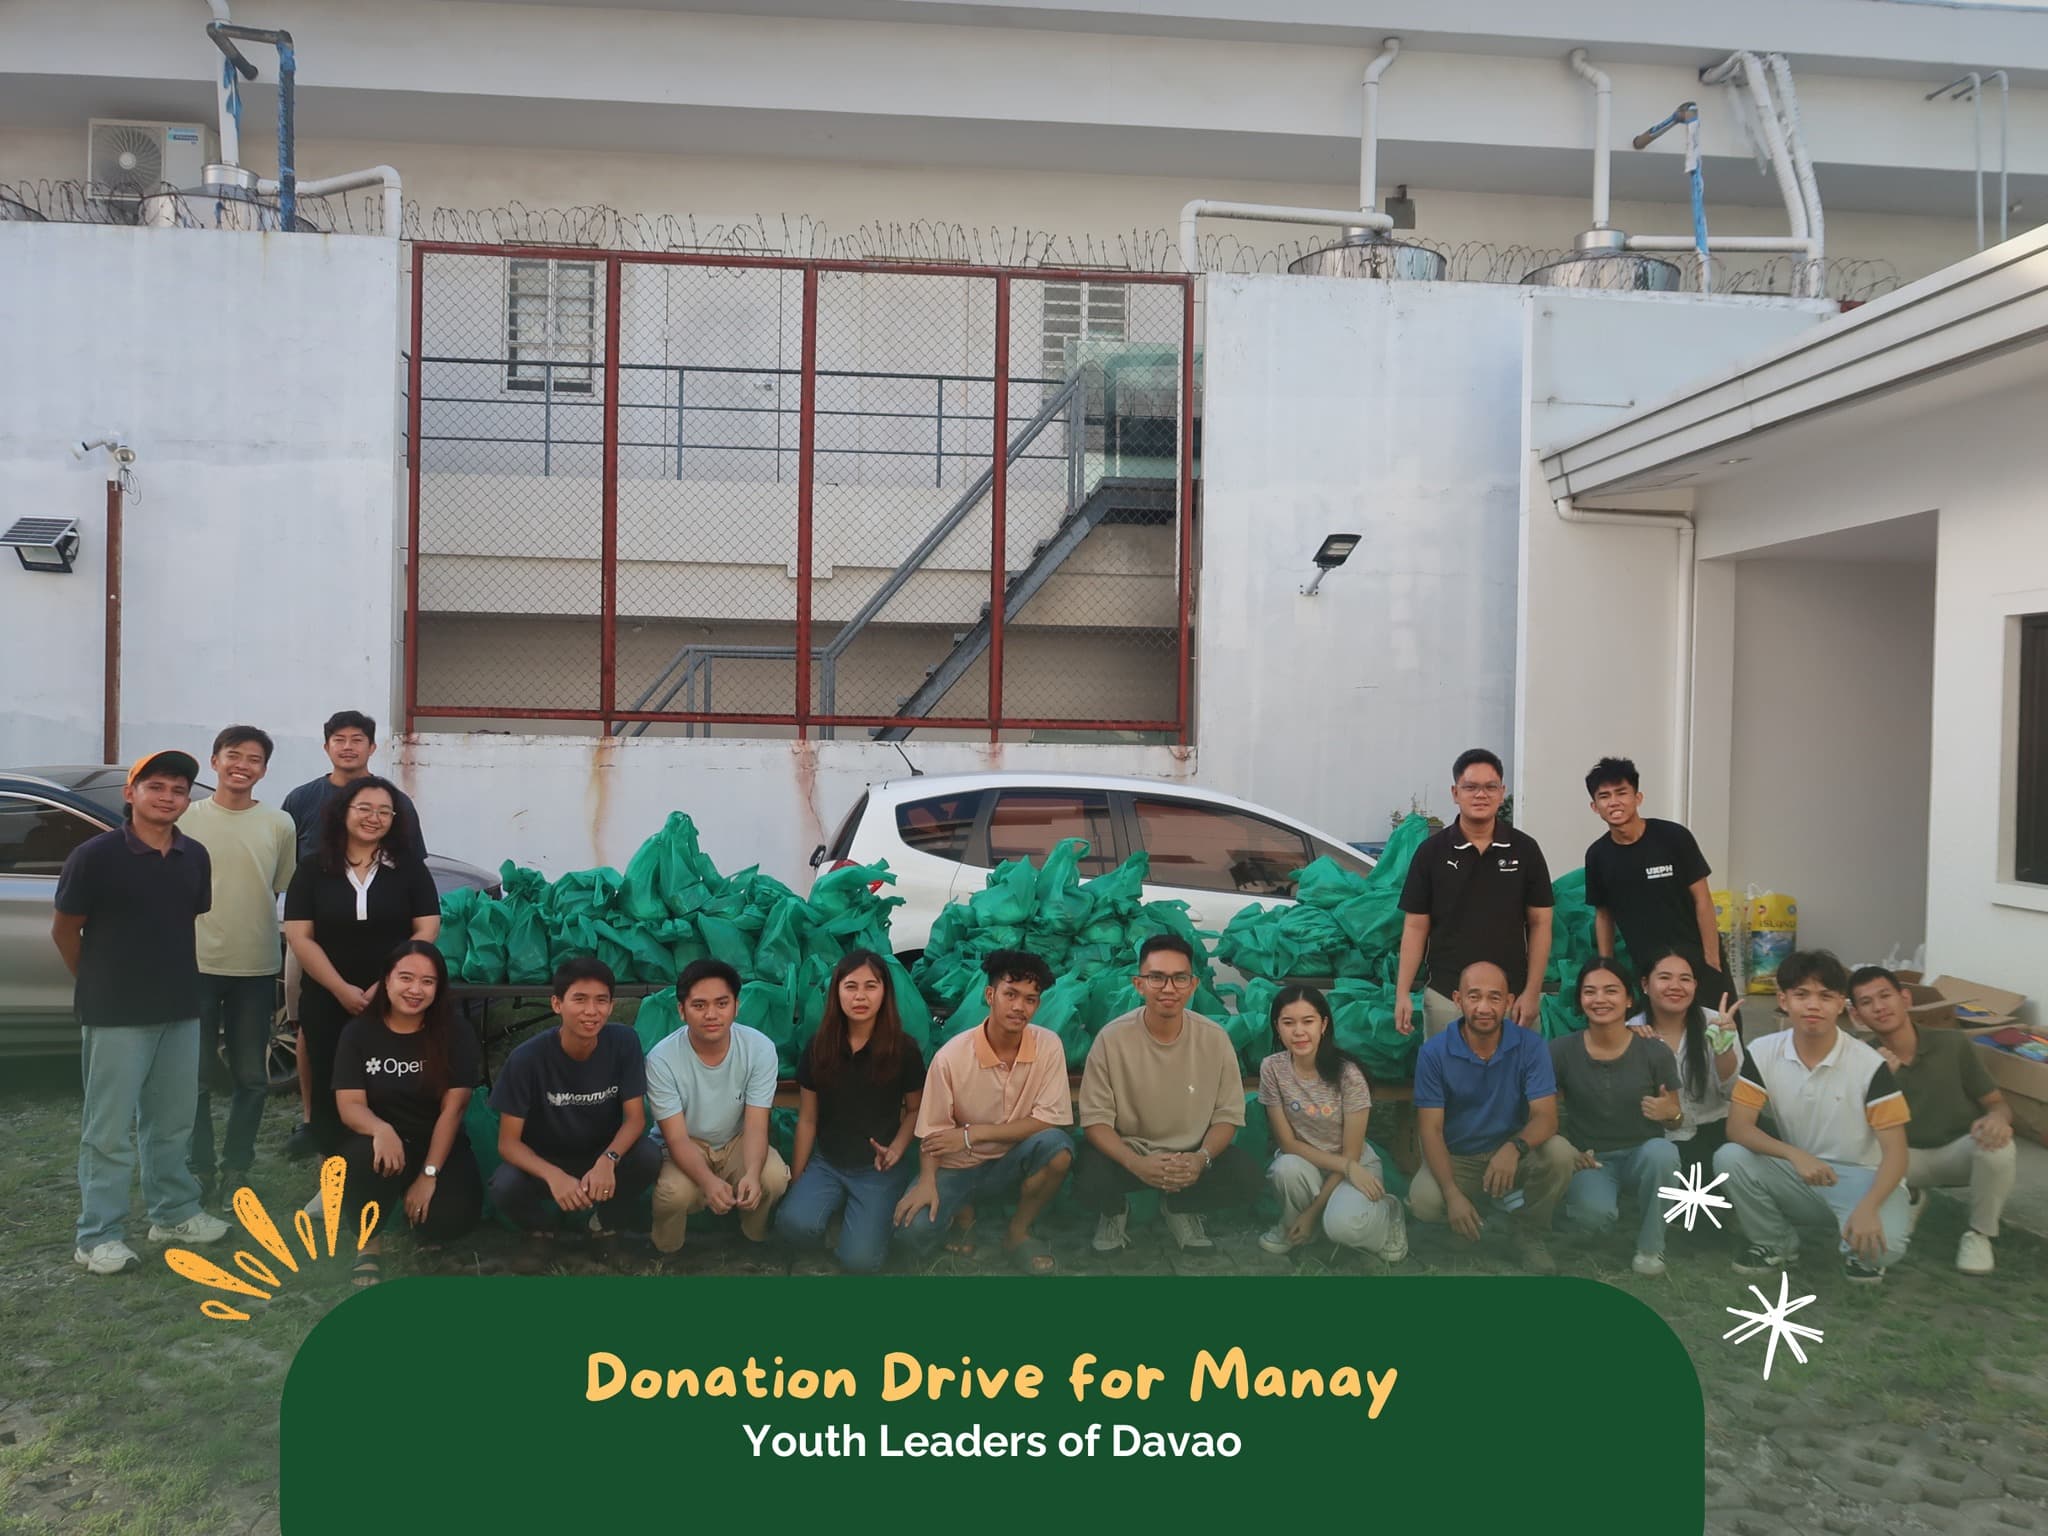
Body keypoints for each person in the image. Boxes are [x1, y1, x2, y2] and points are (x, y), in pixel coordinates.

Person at [52, 750, 233, 1275]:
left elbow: (184, 918)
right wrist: (99, 982)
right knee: (107, 1132)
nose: (168, 798)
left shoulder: (194, 856)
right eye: (156, 787)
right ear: (131, 794)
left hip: (179, 1007)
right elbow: (65, 930)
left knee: (171, 1122)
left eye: (179, 790)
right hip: (114, 1013)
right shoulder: (94, 856)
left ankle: (172, 1212)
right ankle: (98, 1235)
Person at [1714, 950, 1911, 1285]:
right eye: (1801, 995)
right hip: (1801, 1173)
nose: (1813, 1006)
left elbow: (1897, 1154)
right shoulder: (1763, 1052)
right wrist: (1795, 1154)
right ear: (1783, 1000)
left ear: (1841, 1006)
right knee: (1730, 1157)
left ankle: (1866, 1224)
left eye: (1825, 996)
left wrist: (1868, 1208)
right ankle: (1774, 1242)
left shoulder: (1869, 1064)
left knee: (1881, 1252)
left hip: (1862, 1180)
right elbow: (1738, 1127)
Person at [280, 710, 424, 1160]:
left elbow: (424, 915)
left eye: (356, 739)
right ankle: (316, 1126)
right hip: (320, 952)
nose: (347, 746)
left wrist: (391, 980)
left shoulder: (399, 826)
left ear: (371, 747)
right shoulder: (303, 801)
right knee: (313, 1029)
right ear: (326, 746)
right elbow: (297, 921)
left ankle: (385, 1136)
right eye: (338, 739)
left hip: (388, 966)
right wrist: (339, 987)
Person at [1074, 934, 1263, 1253]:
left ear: (1193, 985)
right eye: (1157, 978)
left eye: (1179, 978)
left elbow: (1227, 1116)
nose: (1169, 988)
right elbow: (1095, 1121)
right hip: (1130, 1152)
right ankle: (1115, 1211)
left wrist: (1199, 1159)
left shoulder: (1214, 1039)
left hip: (1189, 1153)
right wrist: (1135, 1163)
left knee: (1247, 1177)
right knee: (1088, 1176)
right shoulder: (1112, 1039)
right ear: (1139, 984)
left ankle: (1180, 1207)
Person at [894, 950, 1073, 1273]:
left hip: (1013, 1159)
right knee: (910, 1233)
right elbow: (933, 1134)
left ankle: (1017, 1233)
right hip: (959, 1165)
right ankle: (964, 1210)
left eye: (1030, 999)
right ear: (990, 995)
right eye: (1010, 994)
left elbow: (1049, 1119)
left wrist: (971, 1134)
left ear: (1038, 1005)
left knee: (1059, 1149)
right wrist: (927, 1181)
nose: (1019, 1007)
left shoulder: (1048, 1046)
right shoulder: (952, 1057)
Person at [178, 725, 297, 1207]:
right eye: (233, 756)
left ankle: (237, 1169)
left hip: (255, 966)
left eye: (253, 759)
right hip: (195, 964)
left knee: (252, 1076)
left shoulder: (279, 824)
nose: (242, 765)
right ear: (214, 761)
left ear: (264, 770)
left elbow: (277, 886)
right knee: (196, 1077)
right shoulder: (185, 817)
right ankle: (199, 1168)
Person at [332, 941, 484, 1285]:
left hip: (438, 1142)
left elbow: (453, 1108)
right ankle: (369, 1247)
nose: (416, 989)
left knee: (454, 1219)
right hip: (379, 1144)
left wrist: (429, 1174)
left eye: (428, 982)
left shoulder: (455, 1032)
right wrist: (381, 1130)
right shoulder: (359, 1033)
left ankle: (423, 1221)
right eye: (406, 978)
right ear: (386, 981)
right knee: (356, 1159)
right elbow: (349, 1104)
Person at [1407, 960, 1574, 1274]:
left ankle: (1528, 1232)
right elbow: (1430, 1130)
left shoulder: (1531, 1045)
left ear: (1509, 1002)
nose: (1484, 1007)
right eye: (1474, 996)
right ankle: (1477, 1216)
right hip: (1460, 1155)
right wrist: (1452, 1194)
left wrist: (1513, 1148)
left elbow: (1546, 1118)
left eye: (1495, 998)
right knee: (1425, 1201)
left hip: (1511, 1151)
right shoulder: (1434, 1052)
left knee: (1561, 1153)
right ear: (1458, 1000)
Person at [1848, 965, 2015, 1276]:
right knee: (1857, 1161)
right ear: (1857, 1016)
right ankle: (1908, 1197)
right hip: (1900, 1160)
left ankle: (1979, 1235)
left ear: (1906, 998)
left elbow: (1997, 1104)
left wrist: (1997, 1119)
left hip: (1957, 1150)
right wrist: (1880, 1080)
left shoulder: (1952, 1044)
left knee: (2000, 1149)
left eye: (1886, 996)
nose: (1879, 1007)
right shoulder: (1859, 1059)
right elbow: (1853, 1132)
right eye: (1867, 1002)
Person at [487, 956, 661, 1242]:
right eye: (579, 999)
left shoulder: (624, 1042)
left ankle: (605, 1223)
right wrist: (553, 1175)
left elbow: (635, 1119)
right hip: (545, 1158)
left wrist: (609, 1159)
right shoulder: (526, 1059)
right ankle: (544, 1231)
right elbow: (508, 1143)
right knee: (504, 1186)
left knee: (648, 1156)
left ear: (611, 1005)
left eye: (601, 1000)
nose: (591, 1011)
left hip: (601, 1153)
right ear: (557, 1004)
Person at [775, 950, 925, 1273]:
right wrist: (797, 1180)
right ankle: (834, 1212)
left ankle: (855, 1221)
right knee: (792, 1225)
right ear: (837, 992)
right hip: (828, 1162)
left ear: (884, 992)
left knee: (860, 1262)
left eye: (871, 986)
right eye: (850, 986)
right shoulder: (820, 1047)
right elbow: (808, 1119)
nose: (860, 996)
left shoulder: (904, 1049)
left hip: (878, 1168)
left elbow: (914, 1110)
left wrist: (897, 1149)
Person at [1395, 749, 1555, 1039]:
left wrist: (1532, 992)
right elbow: (1416, 925)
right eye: (1470, 787)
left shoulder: (1525, 850)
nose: (1481, 795)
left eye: (1490, 787)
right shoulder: (1431, 853)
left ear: (1502, 792)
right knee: (1450, 1081)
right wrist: (1403, 992)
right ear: (1456, 793)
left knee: (1518, 1082)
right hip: (1447, 995)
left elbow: (1541, 923)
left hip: (1512, 997)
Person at [646, 959, 790, 1256]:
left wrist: (751, 1172)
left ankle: (753, 1236)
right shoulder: (662, 1059)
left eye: (721, 1003)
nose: (711, 1014)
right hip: (687, 1141)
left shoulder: (759, 1049)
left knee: (772, 1177)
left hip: (738, 1139)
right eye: (699, 1005)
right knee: (673, 1193)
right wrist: (709, 1182)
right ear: (681, 1010)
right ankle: (667, 1249)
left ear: (737, 1006)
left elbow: (755, 1125)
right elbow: (675, 1138)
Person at [1550, 959, 1684, 1277]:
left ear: (1628, 999)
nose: (1600, 1000)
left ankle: (1651, 1248)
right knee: (1592, 1221)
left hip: (1643, 1153)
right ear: (1580, 1000)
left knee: (1664, 1152)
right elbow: (1545, 1113)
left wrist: (1672, 1113)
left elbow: (1675, 1120)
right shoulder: (1560, 1051)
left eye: (1611, 991)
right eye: (1590, 992)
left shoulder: (1654, 1052)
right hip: (1592, 1158)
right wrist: (1569, 1151)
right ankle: (1595, 1207)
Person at [1256, 985, 1407, 1262]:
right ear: (1277, 1027)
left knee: (1343, 1228)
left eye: (1308, 1021)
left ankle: (1388, 1216)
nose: (1299, 1032)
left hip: (1353, 1165)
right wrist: (1345, 1166)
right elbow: (1287, 1143)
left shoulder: (1348, 1075)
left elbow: (1351, 1154)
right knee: (1285, 1168)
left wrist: (1314, 1212)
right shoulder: (1272, 1068)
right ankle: (1294, 1226)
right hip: (1305, 1160)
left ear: (1323, 1024)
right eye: (1288, 1023)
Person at [1582, 757, 1730, 998]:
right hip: (1649, 969)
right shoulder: (1598, 855)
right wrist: (1606, 967)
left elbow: (1703, 899)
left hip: (1697, 960)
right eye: (1604, 796)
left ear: (1638, 798)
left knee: (1720, 1031)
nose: (1614, 802)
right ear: (1594, 806)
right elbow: (1604, 914)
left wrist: (1712, 958)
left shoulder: (1674, 837)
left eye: (1622, 793)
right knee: (1658, 1034)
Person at [1628, 947, 1741, 1171]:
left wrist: (1724, 1050)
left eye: (1685, 979)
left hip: (1719, 1131)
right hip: (1661, 1143)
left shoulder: (1717, 1023)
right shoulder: (1629, 1032)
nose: (1675, 986)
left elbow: (1734, 1095)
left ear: (1695, 986)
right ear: (1645, 985)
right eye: (1664, 977)